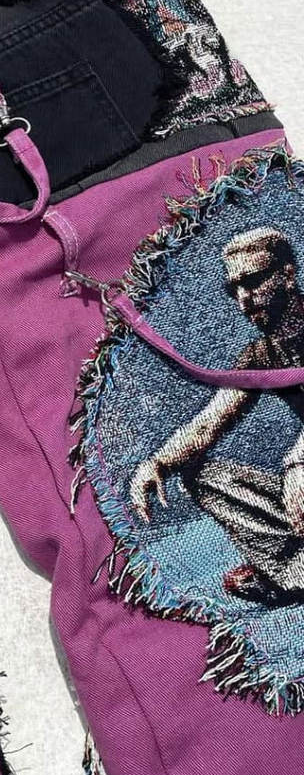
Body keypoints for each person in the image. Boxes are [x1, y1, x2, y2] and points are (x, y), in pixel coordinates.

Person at [129, 227, 304, 605]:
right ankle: (294, 569)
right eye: (234, 289)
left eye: (252, 281)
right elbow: (209, 424)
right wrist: (158, 463)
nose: (243, 299)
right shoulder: (261, 355)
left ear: (288, 275)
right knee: (200, 475)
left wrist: (298, 460)